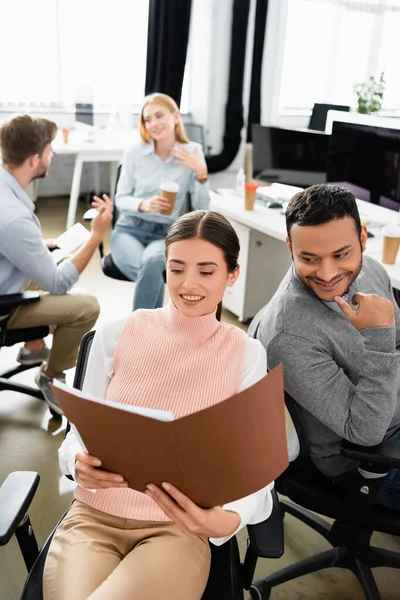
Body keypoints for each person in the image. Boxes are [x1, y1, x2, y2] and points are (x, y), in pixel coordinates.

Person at [44, 210, 274, 600]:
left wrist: (226, 520)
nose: (188, 284)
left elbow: (256, 467)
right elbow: (78, 434)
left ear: (231, 275)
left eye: (206, 271)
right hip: (93, 518)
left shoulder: (247, 354)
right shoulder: (117, 334)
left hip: (178, 527)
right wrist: (76, 462)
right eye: (177, 268)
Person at [251, 183, 400, 511]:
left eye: (341, 254)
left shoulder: (371, 270)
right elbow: (364, 433)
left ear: (362, 239)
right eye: (309, 258)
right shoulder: (288, 335)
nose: (328, 273)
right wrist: (379, 338)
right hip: (364, 462)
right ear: (290, 247)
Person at [0, 114, 112, 415]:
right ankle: (50, 375)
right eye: (50, 149)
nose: (53, 154)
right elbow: (58, 283)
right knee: (86, 306)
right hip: (3, 305)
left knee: (59, 256)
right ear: (35, 159)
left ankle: (34, 347)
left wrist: (38, 245)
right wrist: (95, 236)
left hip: (5, 275)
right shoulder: (13, 217)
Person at [96, 92, 210, 311]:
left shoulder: (193, 152)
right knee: (150, 270)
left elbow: (202, 208)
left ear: (175, 116)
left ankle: (138, 333)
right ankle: (154, 331)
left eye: (159, 116)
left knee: (151, 264)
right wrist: (143, 205)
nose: (154, 124)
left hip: (166, 233)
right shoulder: (134, 153)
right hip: (130, 229)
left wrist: (201, 174)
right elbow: (121, 198)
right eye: (148, 119)